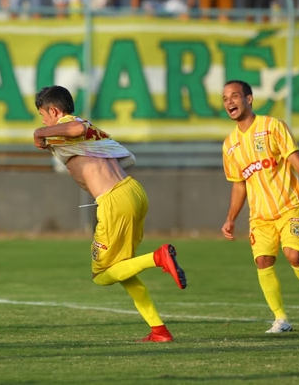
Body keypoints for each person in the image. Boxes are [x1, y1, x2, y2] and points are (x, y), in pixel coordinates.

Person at [32, 85, 187, 343]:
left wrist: (40, 132)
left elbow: (75, 129)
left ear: (54, 111)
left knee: (102, 276)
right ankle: (159, 330)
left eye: (43, 115)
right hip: (133, 191)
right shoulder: (86, 129)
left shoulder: (71, 124)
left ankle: (158, 257)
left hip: (115, 200)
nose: (43, 122)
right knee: (124, 269)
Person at [220, 80, 299, 333]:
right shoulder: (229, 146)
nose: (229, 102)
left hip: (289, 206)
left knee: (294, 255)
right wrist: (230, 218)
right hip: (260, 216)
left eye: (234, 96)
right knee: (263, 260)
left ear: (249, 99)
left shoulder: (272, 126)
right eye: (225, 98)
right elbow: (239, 185)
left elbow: (297, 161)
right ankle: (281, 318)